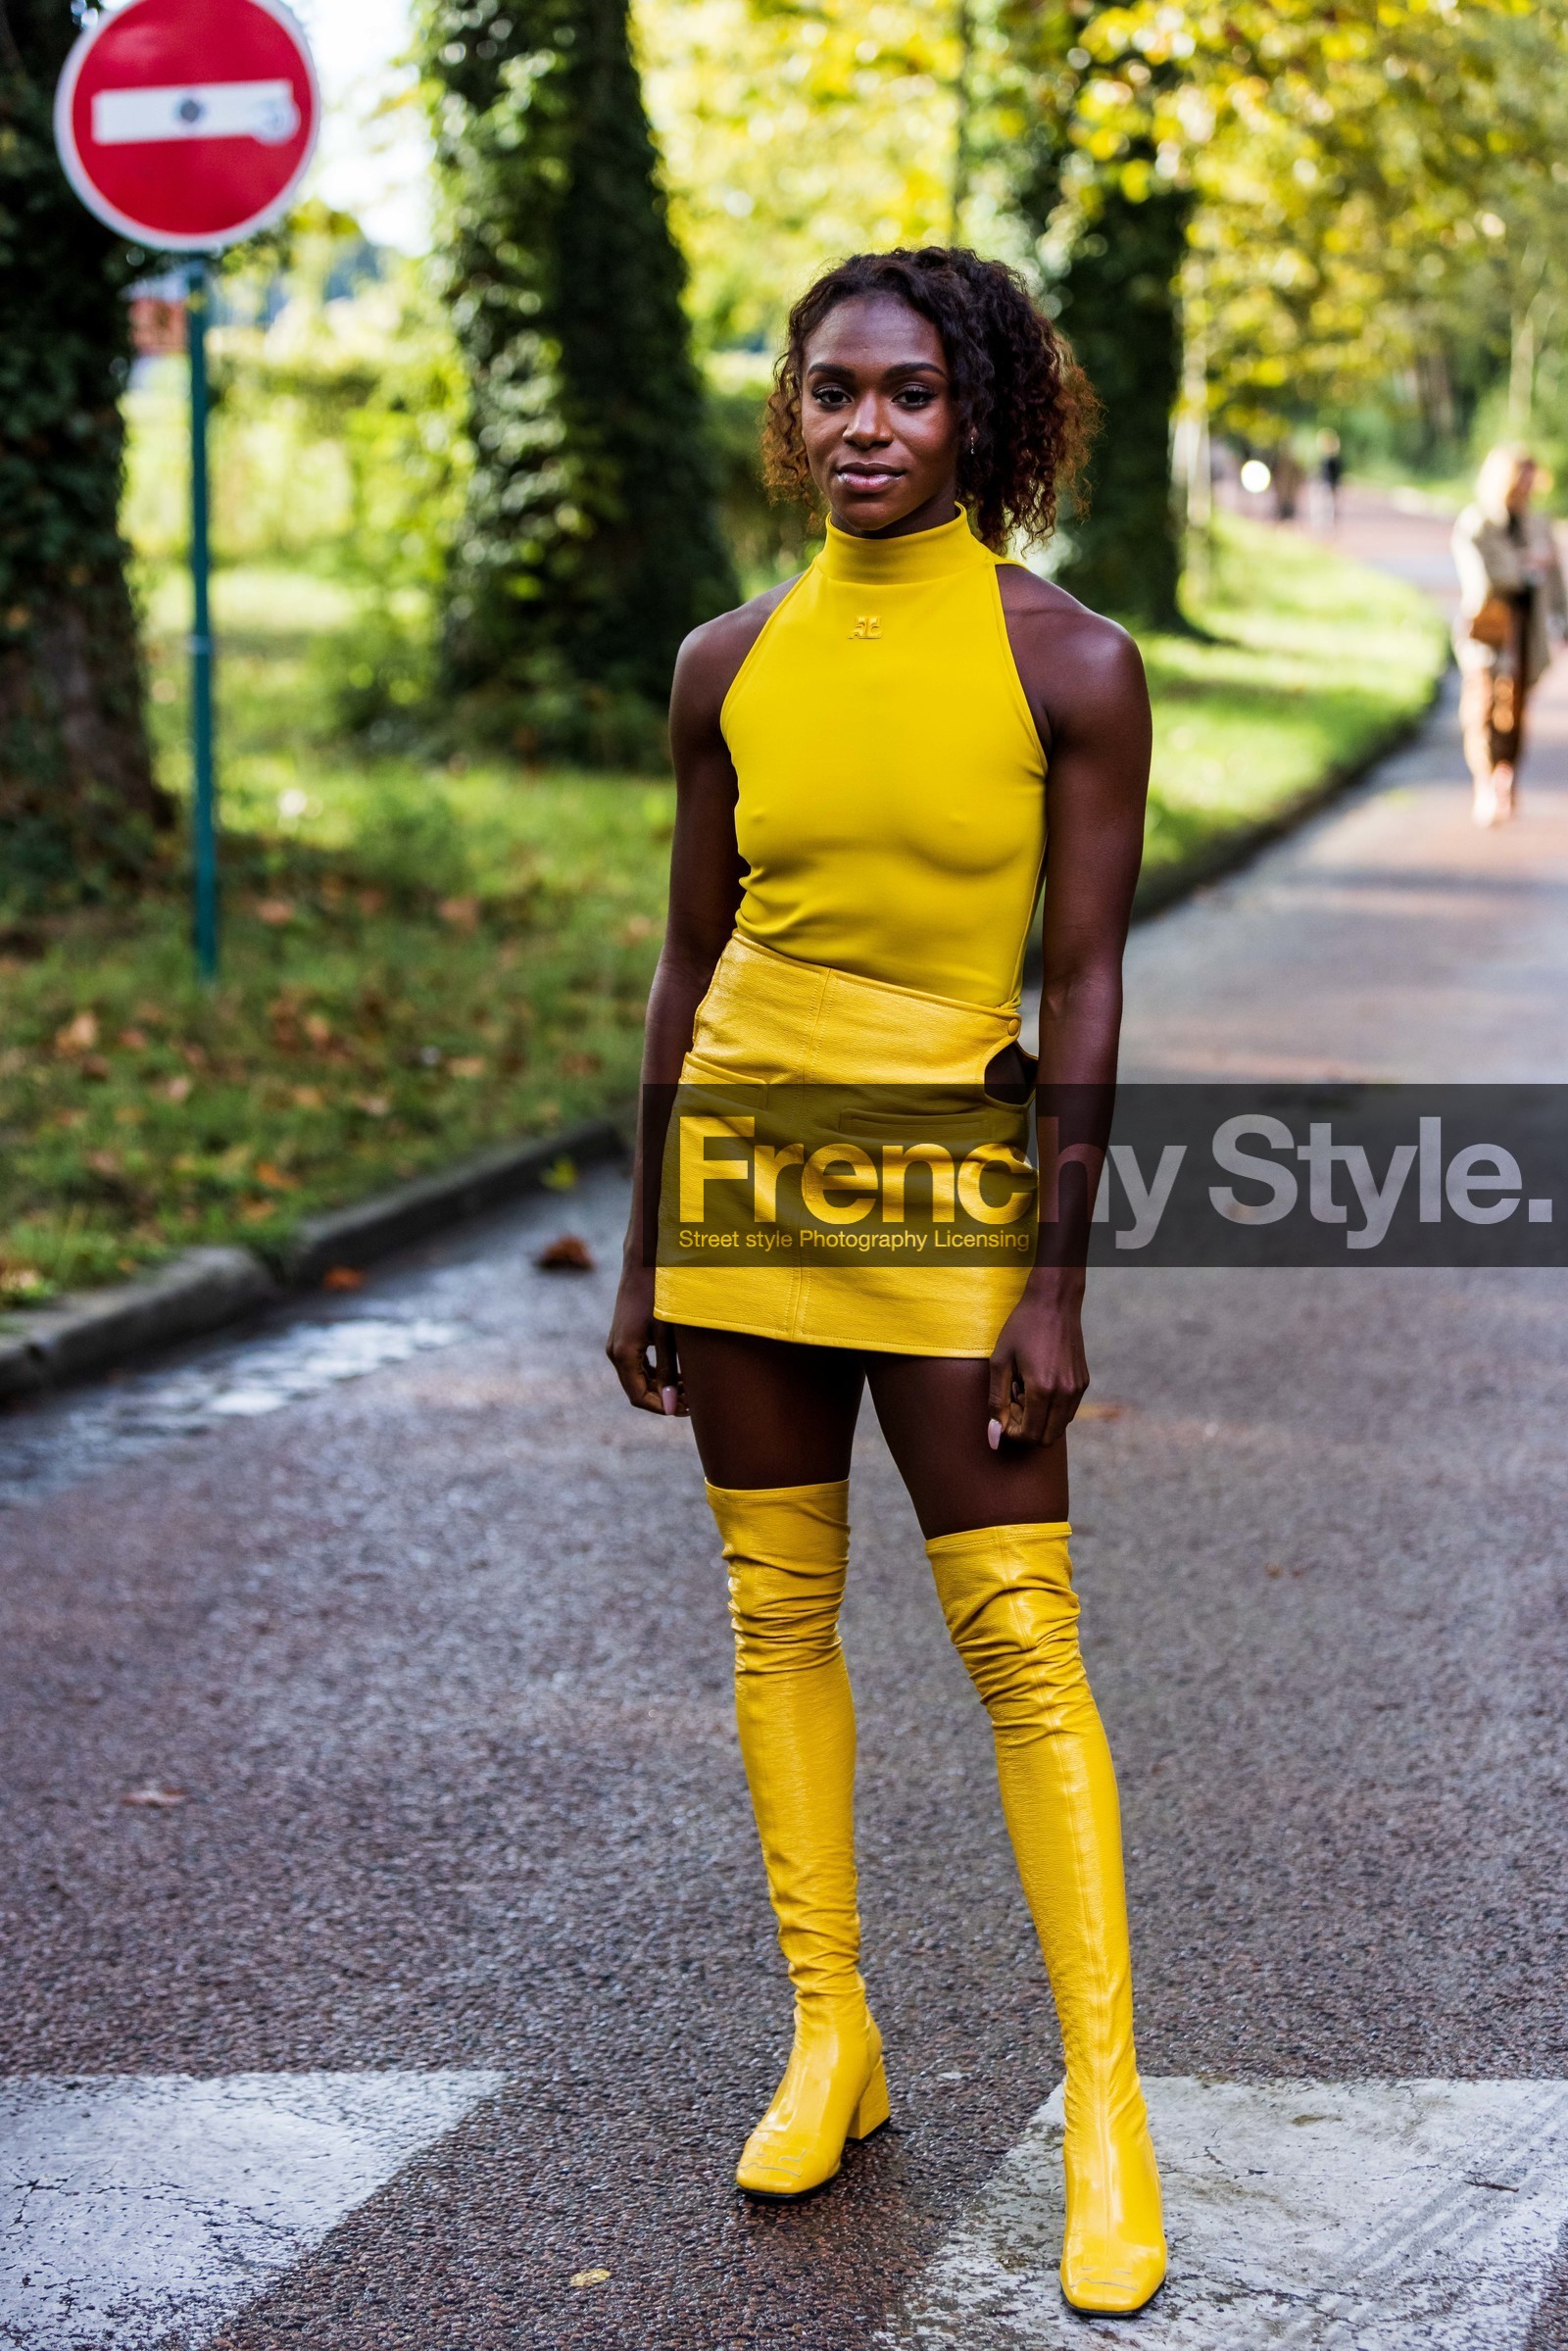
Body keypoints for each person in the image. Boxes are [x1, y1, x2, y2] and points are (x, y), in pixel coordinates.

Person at [607, 247, 1165, 2319]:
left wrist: (1053, 1278)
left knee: (1021, 1640)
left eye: (910, 393)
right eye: (829, 388)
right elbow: (686, 952)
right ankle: (829, 2033)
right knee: (776, 1612)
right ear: (792, 409)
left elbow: (1084, 976)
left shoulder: (1068, 664)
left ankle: (1103, 2106)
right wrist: (652, 1227)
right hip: (745, 1148)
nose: (861, 424)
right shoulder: (722, 659)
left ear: (983, 419)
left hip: (944, 1159)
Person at [1452, 445, 1566, 826]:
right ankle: (1486, 781)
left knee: (1515, 709)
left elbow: (1554, 578)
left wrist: (1562, 620)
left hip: (1526, 632)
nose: (1526, 490)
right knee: (1482, 706)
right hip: (1490, 630)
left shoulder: (1538, 523)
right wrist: (1526, 565)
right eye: (1520, 481)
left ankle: (1507, 778)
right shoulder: (1478, 523)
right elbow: (1484, 578)